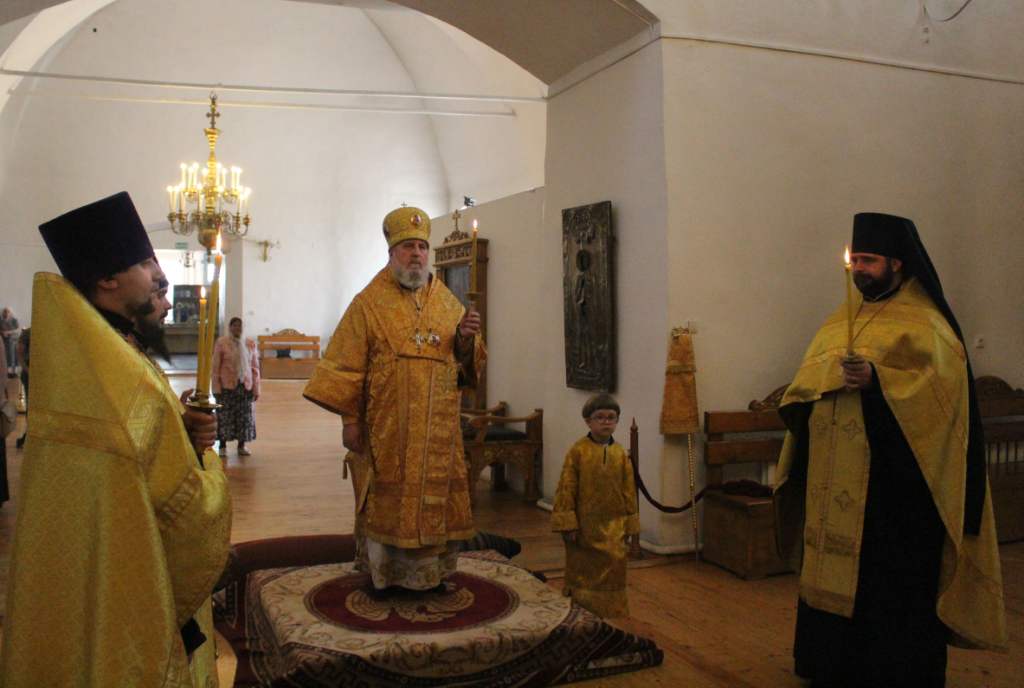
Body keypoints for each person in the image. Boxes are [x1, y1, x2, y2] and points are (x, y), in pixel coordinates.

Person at [1, 192, 232, 687]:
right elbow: (188, 509)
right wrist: (209, 466)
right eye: (146, 264)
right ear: (107, 279)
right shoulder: (121, 375)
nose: (160, 277)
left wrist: (182, 432)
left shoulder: (96, 352)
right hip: (133, 581)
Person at [774, 212, 1007, 687]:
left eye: (869, 260)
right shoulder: (840, 319)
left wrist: (878, 381)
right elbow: (807, 384)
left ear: (897, 263)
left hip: (894, 493)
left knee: (887, 585)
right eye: (855, 260)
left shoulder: (927, 323)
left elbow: (942, 401)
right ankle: (827, 665)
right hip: (832, 482)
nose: (859, 269)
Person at [304, 205, 485, 593]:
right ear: (391, 254)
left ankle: (432, 575)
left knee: (436, 499)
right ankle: (385, 577)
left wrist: (466, 339)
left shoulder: (448, 303)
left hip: (438, 432)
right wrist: (350, 421)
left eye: (421, 247)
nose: (416, 254)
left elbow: (466, 366)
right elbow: (345, 367)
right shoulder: (367, 304)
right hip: (388, 430)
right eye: (407, 247)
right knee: (390, 500)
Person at [551, 393, 639, 618]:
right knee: (583, 566)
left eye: (611, 417)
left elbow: (629, 490)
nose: (606, 422)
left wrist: (630, 522)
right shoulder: (578, 451)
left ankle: (612, 612)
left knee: (615, 563)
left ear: (617, 421)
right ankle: (580, 611)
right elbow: (566, 487)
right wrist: (568, 521)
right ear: (588, 421)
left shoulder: (620, 453)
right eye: (600, 417)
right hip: (585, 525)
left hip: (614, 524)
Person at [213, 316, 260, 456]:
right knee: (224, 416)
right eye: (234, 325)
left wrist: (256, 389)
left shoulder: (250, 343)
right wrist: (216, 387)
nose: (237, 328)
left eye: (240, 326)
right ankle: (222, 447)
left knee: (244, 417)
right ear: (230, 327)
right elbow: (216, 367)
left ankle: (241, 446)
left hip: (244, 386)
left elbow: (255, 368)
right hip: (226, 387)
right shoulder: (222, 343)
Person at [14, 326, 28, 449]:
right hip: (29, 375)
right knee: (31, 406)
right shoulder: (27, 333)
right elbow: (19, 353)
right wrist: (27, 370)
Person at [0, 307, 18, 376]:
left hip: (12, 340)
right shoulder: (1, 321)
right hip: (3, 341)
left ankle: (13, 372)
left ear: (10, 313)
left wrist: (8, 332)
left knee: (12, 356)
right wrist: (3, 332)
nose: (6, 313)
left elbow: (17, 330)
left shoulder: (14, 320)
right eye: (4, 312)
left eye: (7, 312)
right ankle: (6, 371)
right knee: (4, 356)